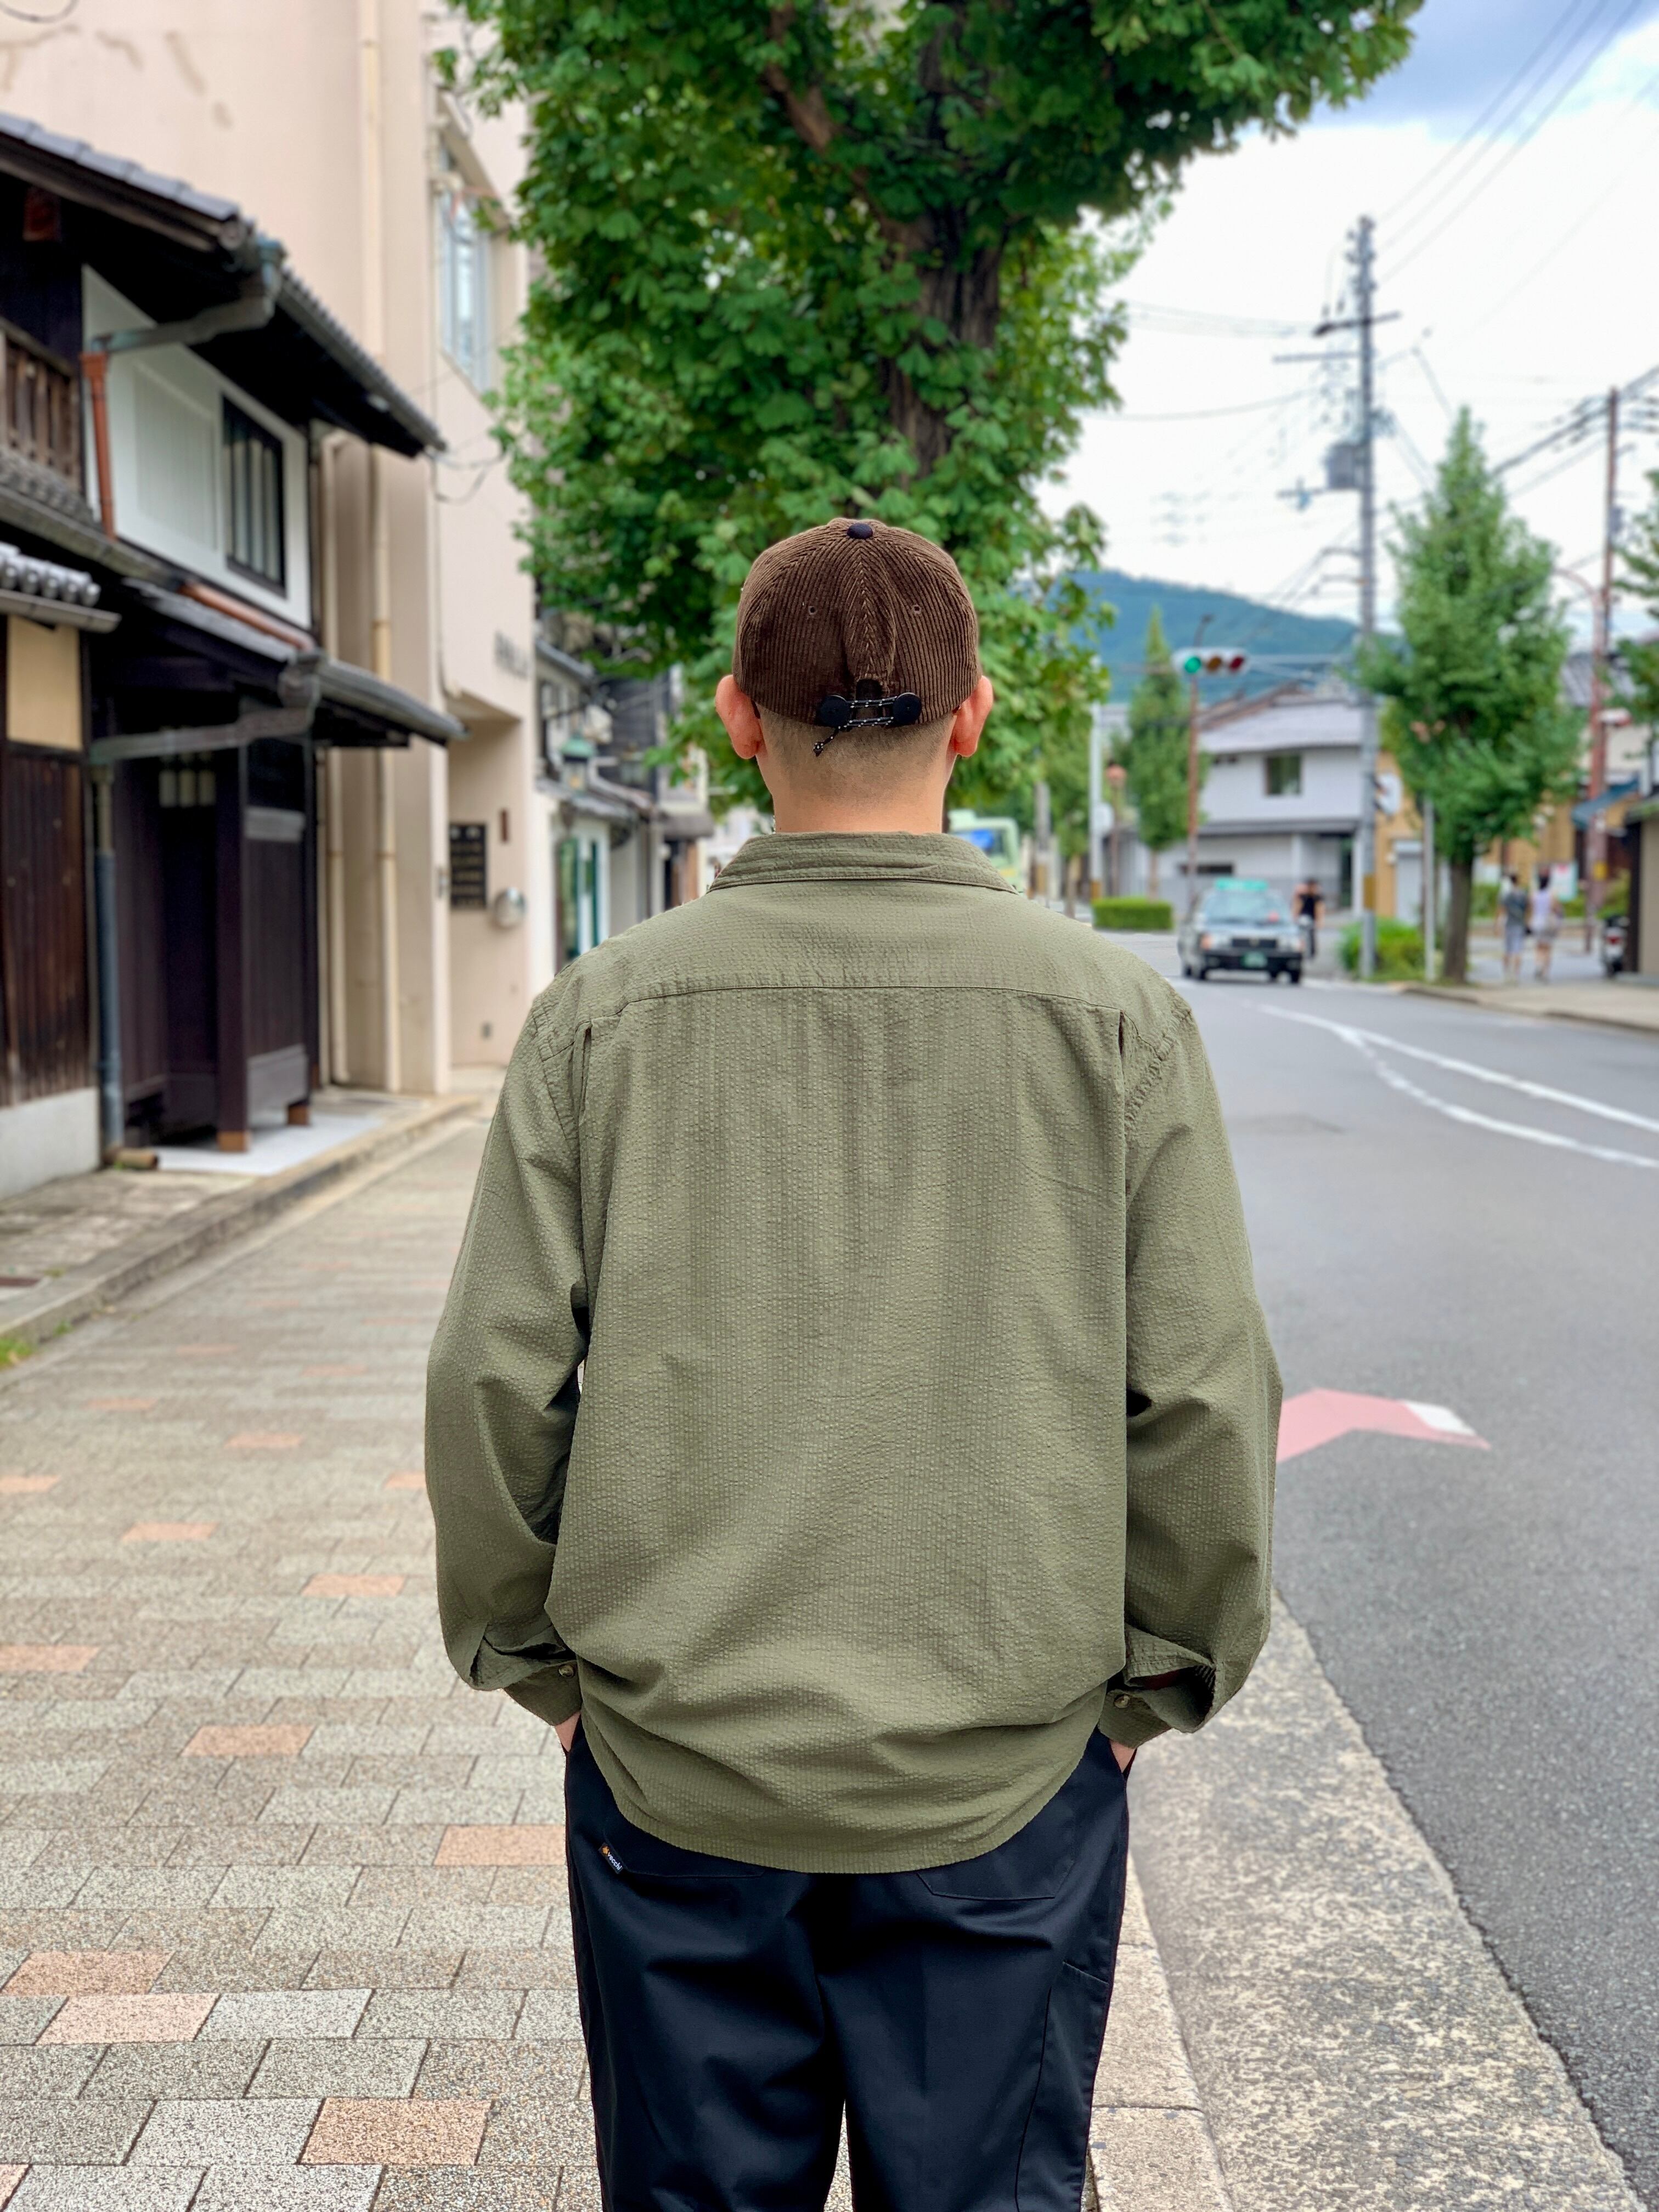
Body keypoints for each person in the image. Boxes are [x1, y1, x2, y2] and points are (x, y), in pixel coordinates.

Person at [426, 516, 1280, 2212]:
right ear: (974, 719)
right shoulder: (1112, 1017)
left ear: (738, 716)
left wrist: (546, 1670)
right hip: (1005, 1777)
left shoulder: (603, 1015)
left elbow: (494, 1389)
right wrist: (1150, 1688)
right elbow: (1198, 1397)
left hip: (677, 1772)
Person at [1530, 865, 1562, 981]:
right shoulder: (1551, 895)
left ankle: (1538, 965)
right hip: (1548, 923)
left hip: (1537, 922)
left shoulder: (1534, 895)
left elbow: (1531, 909)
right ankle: (1545, 972)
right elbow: (1556, 909)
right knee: (1548, 948)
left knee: (1539, 947)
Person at [1500, 871, 1529, 983]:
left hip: (1509, 924)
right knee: (1518, 951)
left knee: (1507, 950)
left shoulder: (1507, 895)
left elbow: (1502, 909)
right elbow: (1528, 909)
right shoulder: (1523, 894)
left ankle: (1506, 974)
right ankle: (1516, 975)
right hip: (1520, 925)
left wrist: (1497, 925)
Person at [1294, 875, 1324, 961]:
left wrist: (1320, 921)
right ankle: (1300, 952)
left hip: (1311, 920)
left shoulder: (1317, 897)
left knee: (1311, 937)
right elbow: (1297, 906)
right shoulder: (1303, 896)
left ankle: (1311, 954)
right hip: (1303, 919)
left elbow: (1320, 909)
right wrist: (1295, 917)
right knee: (1300, 937)